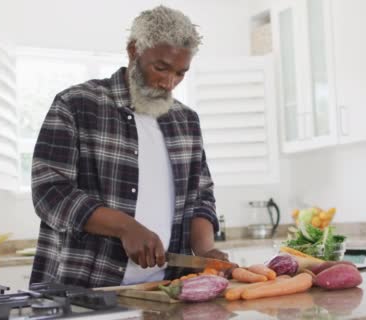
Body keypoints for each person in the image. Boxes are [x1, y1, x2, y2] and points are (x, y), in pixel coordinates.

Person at [29, 5, 228, 288]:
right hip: (84, 291)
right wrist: (125, 227)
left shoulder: (187, 121)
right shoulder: (77, 105)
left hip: (165, 292)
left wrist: (206, 251)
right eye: (161, 68)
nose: (169, 82)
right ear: (134, 50)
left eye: (180, 73)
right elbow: (49, 192)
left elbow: (200, 197)